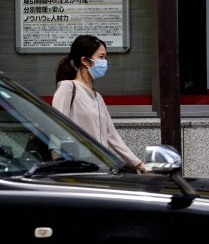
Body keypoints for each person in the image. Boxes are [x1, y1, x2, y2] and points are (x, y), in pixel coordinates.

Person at [52, 34, 146, 173]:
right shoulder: (68, 88)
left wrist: (138, 164)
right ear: (85, 60)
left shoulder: (98, 97)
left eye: (105, 58)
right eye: (101, 57)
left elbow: (112, 137)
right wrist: (56, 166)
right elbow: (55, 128)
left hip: (100, 169)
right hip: (75, 170)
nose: (105, 62)